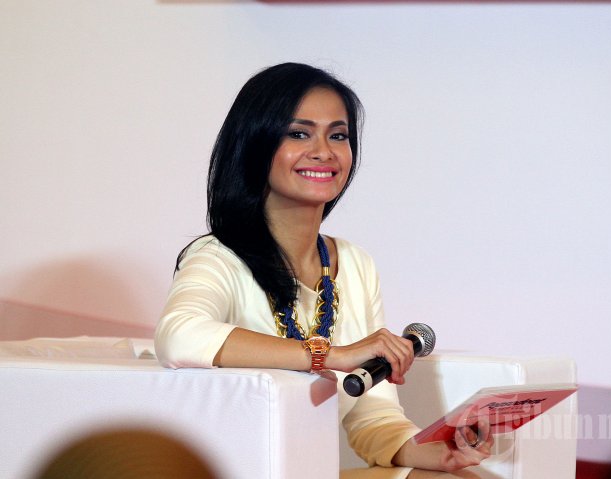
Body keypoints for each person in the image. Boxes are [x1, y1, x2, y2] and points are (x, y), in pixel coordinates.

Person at [154, 62, 492, 478]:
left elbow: (372, 418)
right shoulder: (217, 257)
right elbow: (179, 336)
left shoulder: (354, 263)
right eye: (299, 134)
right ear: (255, 144)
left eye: (338, 135)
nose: (324, 152)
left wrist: (435, 453)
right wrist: (333, 355)